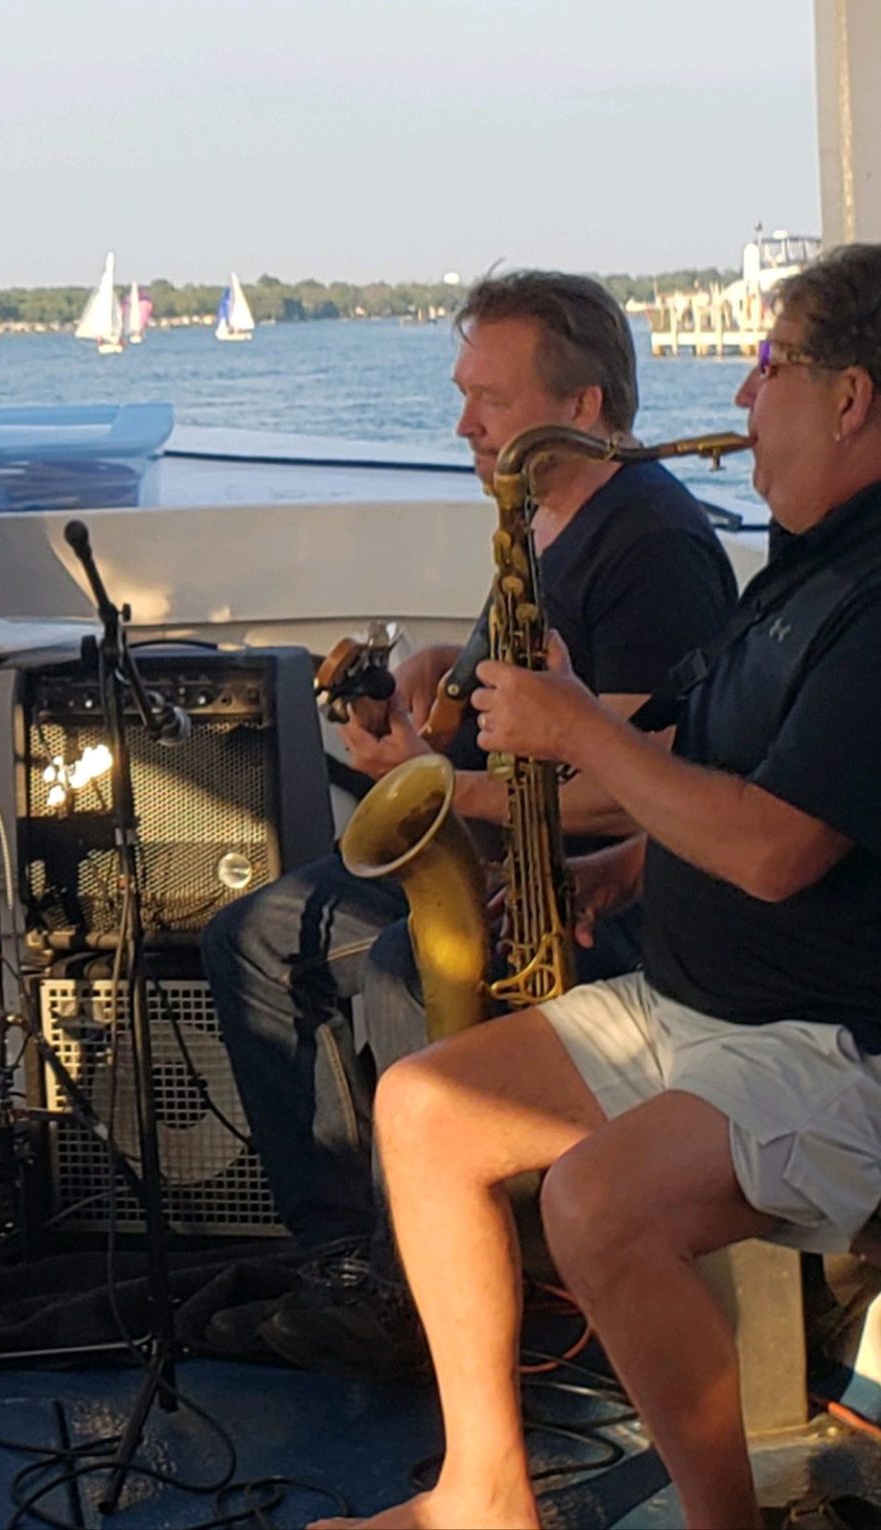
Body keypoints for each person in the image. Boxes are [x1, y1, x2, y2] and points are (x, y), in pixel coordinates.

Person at [320, 242, 881, 1530]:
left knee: (597, 1202)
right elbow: (701, 750)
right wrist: (620, 860)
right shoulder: (803, 565)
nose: (742, 400)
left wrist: (578, 735)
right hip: (703, 1004)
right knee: (426, 1110)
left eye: (769, 364)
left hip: (830, 1045)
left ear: (850, 395)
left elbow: (780, 847)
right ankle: (483, 1494)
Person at [196, 272, 738, 1372]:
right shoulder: (543, 520)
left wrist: (450, 790)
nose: (464, 425)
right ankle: (357, 1265)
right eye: (464, 395)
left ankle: (472, 1297)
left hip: (591, 893)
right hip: (505, 851)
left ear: (584, 407)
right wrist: (453, 671)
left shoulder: (652, 548)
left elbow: (644, 772)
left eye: (490, 401)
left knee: (401, 967)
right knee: (251, 937)